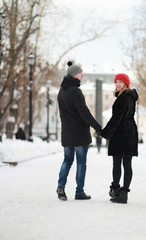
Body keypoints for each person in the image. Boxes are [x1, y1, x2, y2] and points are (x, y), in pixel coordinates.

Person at [56, 61, 102, 201]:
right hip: (80, 134)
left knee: (67, 160)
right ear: (75, 75)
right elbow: (85, 113)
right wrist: (97, 127)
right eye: (81, 74)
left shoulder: (61, 92)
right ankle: (79, 192)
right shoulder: (76, 91)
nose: (82, 76)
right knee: (81, 162)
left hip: (67, 133)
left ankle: (61, 186)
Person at [101, 73, 138, 204]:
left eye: (120, 82)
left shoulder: (122, 99)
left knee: (117, 163)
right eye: (116, 81)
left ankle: (116, 190)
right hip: (130, 131)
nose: (117, 84)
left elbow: (116, 119)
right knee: (127, 164)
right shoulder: (131, 98)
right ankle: (123, 194)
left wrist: (104, 132)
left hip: (121, 133)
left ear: (126, 84)